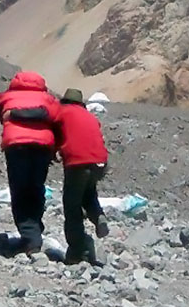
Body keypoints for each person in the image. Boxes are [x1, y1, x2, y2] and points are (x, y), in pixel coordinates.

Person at [0, 71, 61, 254]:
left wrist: (14, 113)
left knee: (19, 190)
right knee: (36, 187)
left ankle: (30, 237)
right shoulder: (48, 99)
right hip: (42, 147)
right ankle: (34, 230)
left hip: (16, 147)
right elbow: (57, 117)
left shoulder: (6, 97)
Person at [53, 88, 110, 265]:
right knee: (88, 193)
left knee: (72, 206)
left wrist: (52, 151)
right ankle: (98, 216)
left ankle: (77, 251)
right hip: (99, 162)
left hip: (77, 163)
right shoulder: (90, 116)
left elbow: (54, 132)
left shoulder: (62, 112)